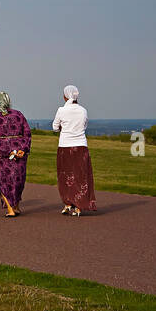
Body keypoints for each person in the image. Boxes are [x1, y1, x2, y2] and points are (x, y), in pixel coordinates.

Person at [52, 84, 97, 215]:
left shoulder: (61, 110)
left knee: (65, 176)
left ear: (65, 96)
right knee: (80, 176)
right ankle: (79, 205)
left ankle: (68, 203)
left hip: (65, 146)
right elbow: (84, 125)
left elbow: (55, 127)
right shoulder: (83, 110)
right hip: (81, 146)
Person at [0, 91, 32, 217]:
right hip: (18, 153)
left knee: (6, 181)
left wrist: (9, 151)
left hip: (4, 154)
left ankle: (12, 208)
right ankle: (14, 207)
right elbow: (27, 133)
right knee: (18, 179)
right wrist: (23, 148)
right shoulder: (19, 114)